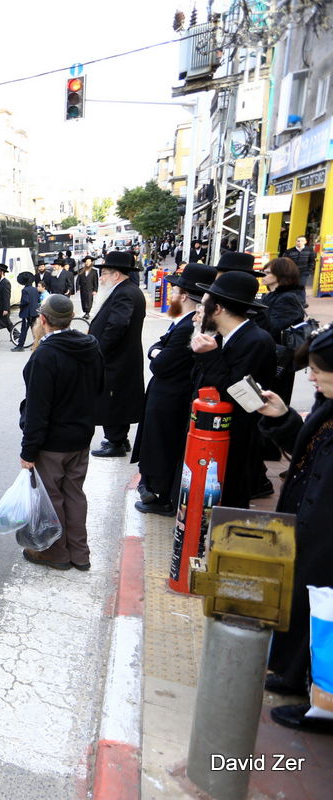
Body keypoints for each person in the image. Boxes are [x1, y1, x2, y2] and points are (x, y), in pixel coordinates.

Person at [254, 327, 333, 731]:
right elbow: (301, 450)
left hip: (326, 533)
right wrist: (282, 417)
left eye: (320, 371)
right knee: (303, 602)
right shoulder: (327, 404)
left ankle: (322, 706)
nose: (311, 378)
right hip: (308, 523)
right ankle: (291, 672)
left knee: (324, 614)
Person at [18, 294, 104, 570]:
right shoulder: (91, 345)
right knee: (75, 494)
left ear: (43, 320)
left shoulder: (46, 354)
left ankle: (57, 554)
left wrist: (29, 450)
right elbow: (99, 388)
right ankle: (80, 554)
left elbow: (37, 409)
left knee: (52, 497)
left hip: (52, 443)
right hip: (81, 437)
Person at [130, 263, 217, 515]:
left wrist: (157, 354)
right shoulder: (184, 321)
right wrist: (157, 352)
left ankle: (162, 495)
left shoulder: (190, 325)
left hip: (171, 396)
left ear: (184, 295)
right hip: (166, 393)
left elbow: (161, 362)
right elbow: (157, 348)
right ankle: (157, 490)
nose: (170, 293)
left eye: (174, 289)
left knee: (164, 445)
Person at [187, 270, 277, 508]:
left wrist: (210, 357)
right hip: (209, 435)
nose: (199, 310)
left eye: (204, 304)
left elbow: (242, 395)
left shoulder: (256, 340)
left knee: (227, 502)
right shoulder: (221, 337)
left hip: (235, 440)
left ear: (217, 309)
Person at [89, 250, 146, 457]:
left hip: (116, 358)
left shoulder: (123, 292)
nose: (101, 278)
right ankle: (119, 438)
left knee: (112, 399)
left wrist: (100, 350)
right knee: (118, 398)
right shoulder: (127, 290)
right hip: (122, 357)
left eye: (104, 273)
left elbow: (118, 325)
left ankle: (115, 441)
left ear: (116, 274)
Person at [257, 257, 308, 405]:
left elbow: (273, 326)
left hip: (279, 358)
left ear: (280, 275)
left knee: (272, 400)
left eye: (266, 273)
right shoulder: (273, 296)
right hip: (273, 354)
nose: (263, 276)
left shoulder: (288, 298)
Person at [12, 271, 40, 351]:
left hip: (27, 313)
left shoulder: (25, 290)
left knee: (24, 330)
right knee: (34, 329)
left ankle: (20, 346)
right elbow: (38, 300)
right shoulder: (35, 289)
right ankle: (37, 344)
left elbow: (25, 301)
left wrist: (20, 305)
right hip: (34, 312)